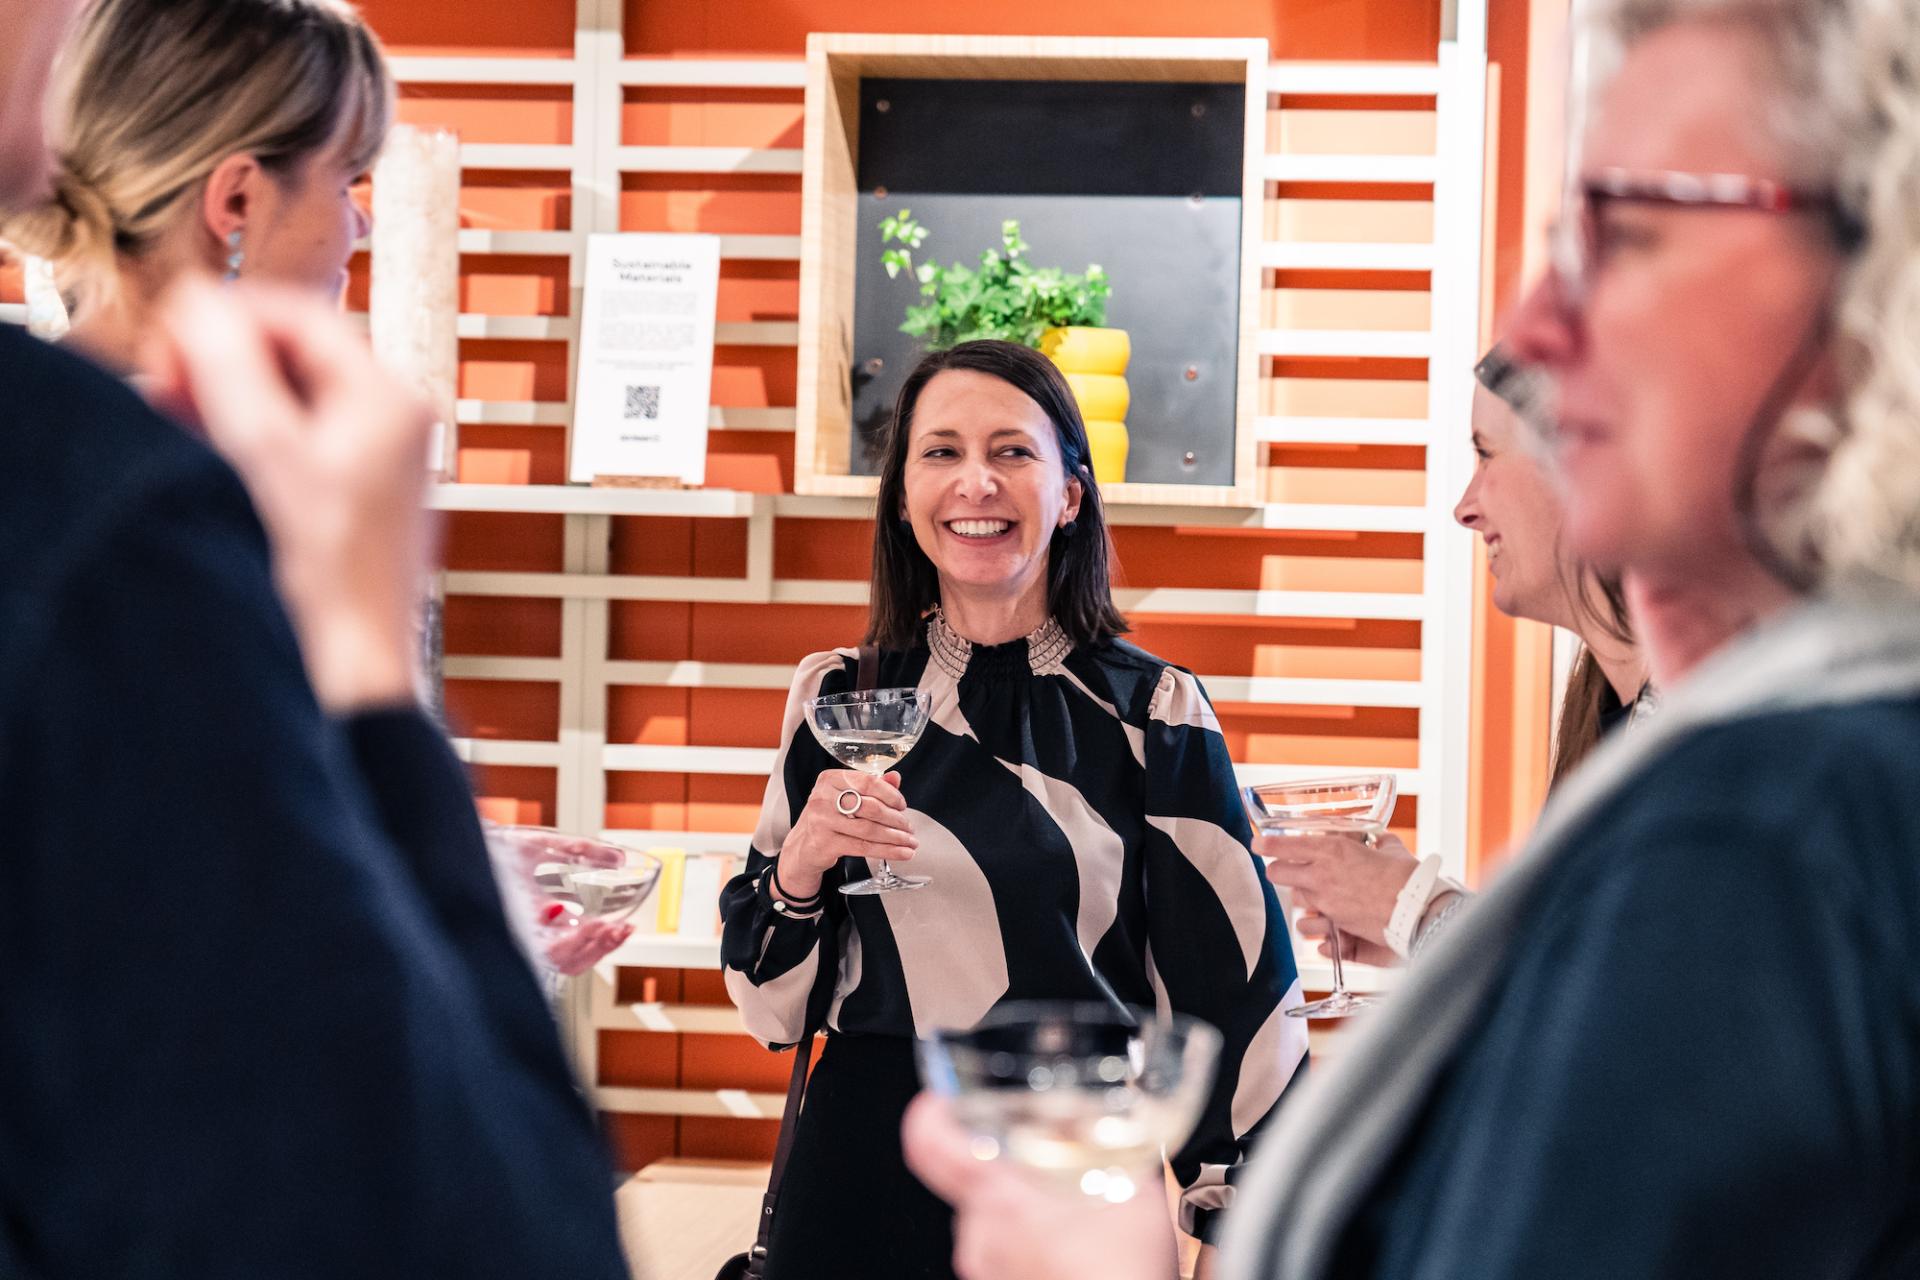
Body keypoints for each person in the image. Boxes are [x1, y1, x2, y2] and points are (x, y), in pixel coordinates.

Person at [907, 0, 1920, 1276]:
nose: (1553, 330)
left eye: (1636, 241)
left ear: (1869, 304)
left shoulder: (1767, 827)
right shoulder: (1807, 772)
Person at [0, 0, 631, 1274]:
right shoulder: (142, 524)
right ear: (237, 201)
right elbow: (489, 1216)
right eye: (348, 181)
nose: (356, 225)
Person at [719, 339, 1308, 1280]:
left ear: (1071, 494)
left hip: (1073, 1170)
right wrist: (799, 870)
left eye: (1013, 452)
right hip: (863, 1168)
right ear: (904, 494)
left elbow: (1236, 994)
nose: (975, 483)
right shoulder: (835, 697)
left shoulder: (1152, 713)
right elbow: (766, 1009)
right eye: (941, 452)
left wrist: (1237, 1232)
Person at [1272, 346, 1648, 970]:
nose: (1465, 508)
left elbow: (1636, 993)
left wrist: (1416, 910)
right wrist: (1418, 939)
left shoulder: (1713, 737)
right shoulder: (1609, 712)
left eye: (1486, 453)